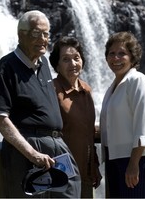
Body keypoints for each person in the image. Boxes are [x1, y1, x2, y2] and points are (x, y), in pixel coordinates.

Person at [0, 10, 81, 198]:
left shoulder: (44, 63)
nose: (43, 39)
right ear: (21, 34)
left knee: (71, 193)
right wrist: (32, 154)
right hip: (30, 151)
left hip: (57, 147)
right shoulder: (7, 66)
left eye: (46, 34)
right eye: (36, 33)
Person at [100, 31, 145, 198]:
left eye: (122, 53)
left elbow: (144, 123)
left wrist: (133, 164)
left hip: (138, 159)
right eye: (112, 53)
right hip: (117, 160)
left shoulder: (138, 80)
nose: (116, 58)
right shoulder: (113, 87)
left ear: (133, 57)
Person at [49, 36, 102, 198]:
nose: (73, 64)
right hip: (62, 175)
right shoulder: (51, 90)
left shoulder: (86, 90)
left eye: (76, 58)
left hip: (86, 174)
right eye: (66, 59)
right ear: (56, 65)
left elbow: (88, 133)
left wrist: (94, 166)